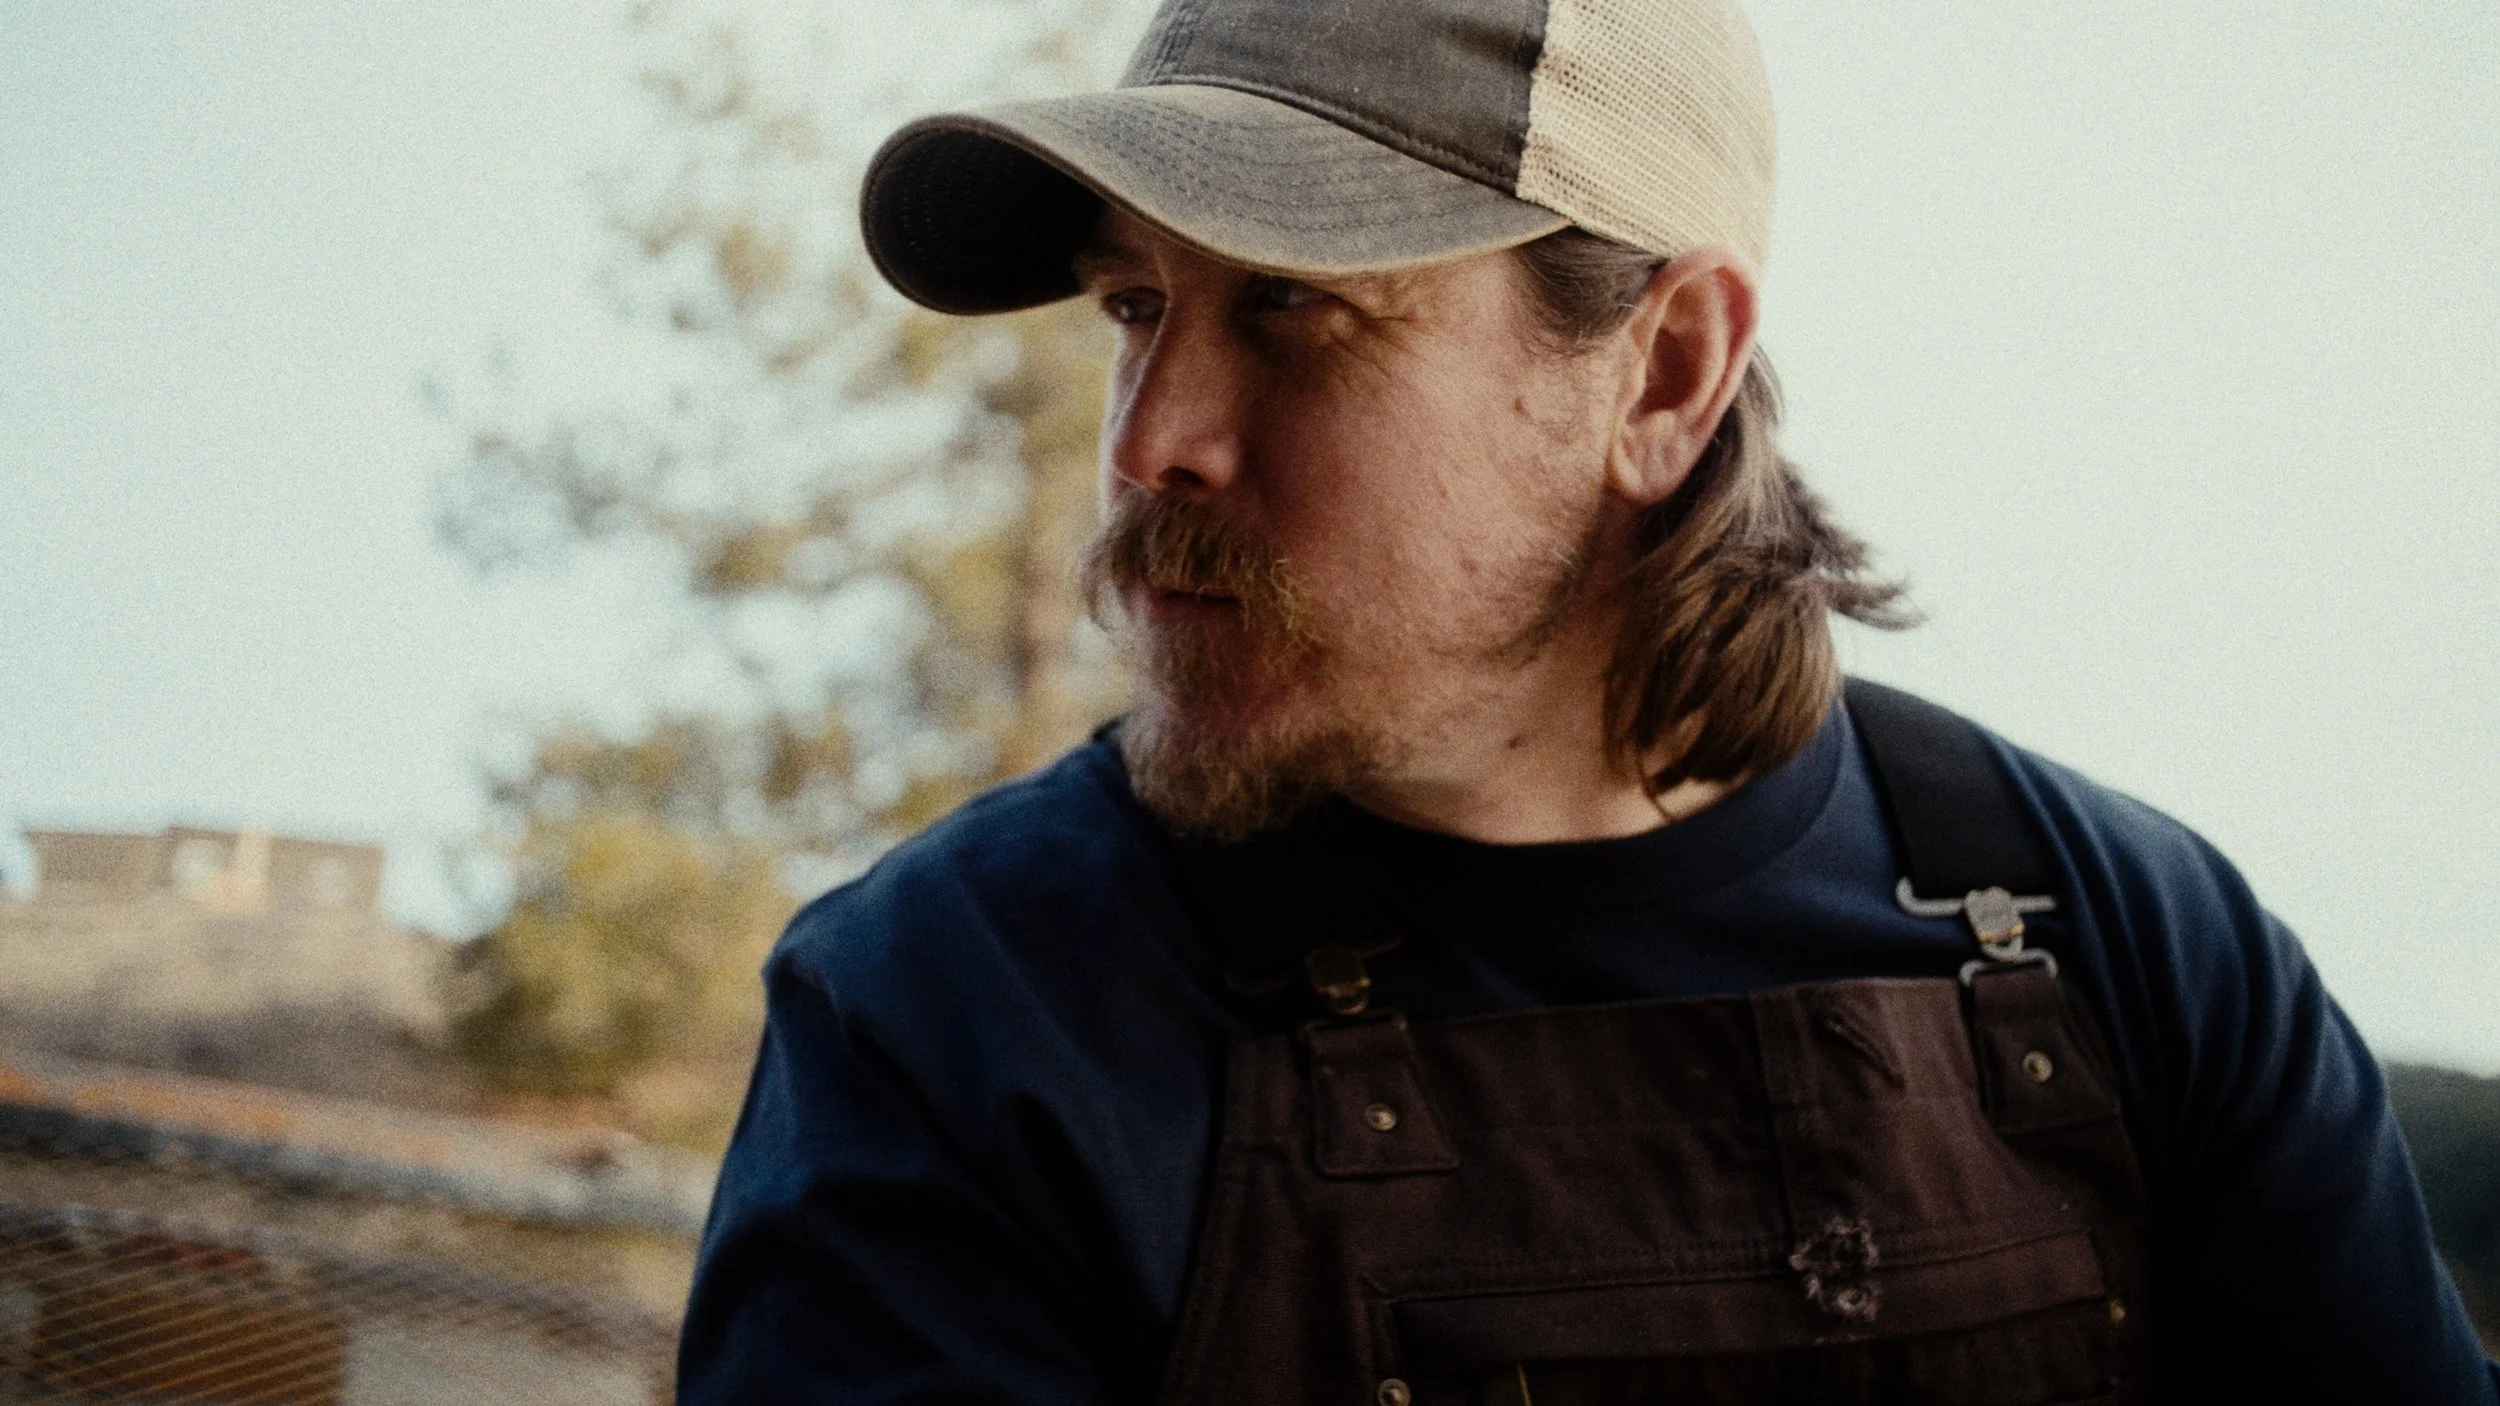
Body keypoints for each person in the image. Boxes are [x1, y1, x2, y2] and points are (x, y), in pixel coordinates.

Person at [676, 0, 2500, 1399]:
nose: (1153, 444)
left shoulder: (2137, 951)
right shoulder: (955, 1020)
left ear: (1666, 370)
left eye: (1299, 309)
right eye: (1135, 310)